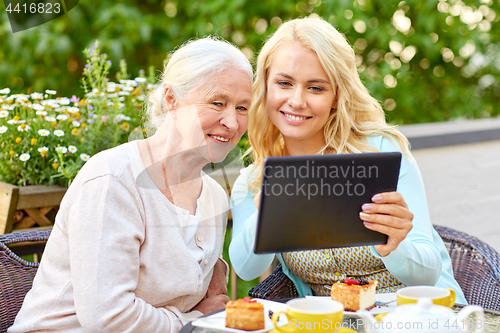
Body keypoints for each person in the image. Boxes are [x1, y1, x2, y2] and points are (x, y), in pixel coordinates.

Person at [9, 37, 253, 333]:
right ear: (172, 100)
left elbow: (211, 298)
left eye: (242, 108)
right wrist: (190, 322)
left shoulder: (213, 196)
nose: (232, 121)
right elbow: (108, 318)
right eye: (218, 103)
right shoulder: (113, 179)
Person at [228, 17, 467, 304]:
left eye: (316, 88)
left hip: (418, 315)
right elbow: (244, 269)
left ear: (336, 95)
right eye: (284, 83)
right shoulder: (254, 181)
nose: (297, 100)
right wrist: (265, 216)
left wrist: (394, 245)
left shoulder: (379, 152)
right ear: (265, 86)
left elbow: (427, 275)